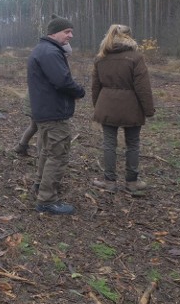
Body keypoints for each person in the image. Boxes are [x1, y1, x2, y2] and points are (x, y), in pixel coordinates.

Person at [27, 16, 85, 215]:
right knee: (58, 155)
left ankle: (39, 185)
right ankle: (47, 199)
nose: (71, 35)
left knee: (47, 151)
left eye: (71, 31)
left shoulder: (43, 49)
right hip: (53, 112)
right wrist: (79, 91)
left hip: (45, 111)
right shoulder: (51, 52)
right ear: (54, 32)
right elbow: (62, 81)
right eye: (67, 31)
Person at [90, 24, 155, 195]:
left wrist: (98, 107)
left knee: (109, 144)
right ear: (129, 37)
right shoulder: (135, 57)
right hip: (131, 108)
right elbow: (143, 87)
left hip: (107, 106)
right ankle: (132, 183)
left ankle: (109, 181)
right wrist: (148, 110)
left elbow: (95, 87)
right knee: (132, 144)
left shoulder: (101, 58)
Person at [15, 43, 72, 156]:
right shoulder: (53, 63)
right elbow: (58, 83)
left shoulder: (46, 59)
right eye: (67, 55)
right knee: (42, 131)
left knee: (34, 126)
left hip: (34, 99)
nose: (67, 58)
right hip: (38, 102)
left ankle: (21, 146)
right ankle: (41, 157)